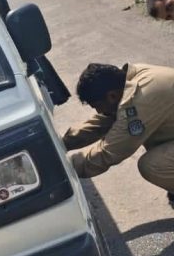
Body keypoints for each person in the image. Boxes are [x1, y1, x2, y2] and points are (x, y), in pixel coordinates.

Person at [63, 61, 174, 206]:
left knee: (153, 165)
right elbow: (105, 120)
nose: (98, 111)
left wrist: (65, 170)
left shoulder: (141, 100)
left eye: (97, 106)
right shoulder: (131, 79)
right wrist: (62, 143)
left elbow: (110, 151)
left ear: (112, 96)